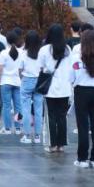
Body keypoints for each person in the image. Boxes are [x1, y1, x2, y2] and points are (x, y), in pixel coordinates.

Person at [72, 29, 94, 168]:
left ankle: (82, 158)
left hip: (81, 91)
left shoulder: (76, 59)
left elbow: (71, 77)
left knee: (83, 126)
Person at [39, 24, 74, 153]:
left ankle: (52, 144)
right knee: (62, 116)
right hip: (65, 88)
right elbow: (71, 67)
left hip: (50, 89)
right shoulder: (67, 49)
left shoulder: (45, 50)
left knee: (50, 117)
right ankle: (61, 144)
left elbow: (41, 67)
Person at [18, 31, 45, 144]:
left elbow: (20, 69)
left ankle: (27, 135)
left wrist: (22, 78)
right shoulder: (42, 53)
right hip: (39, 81)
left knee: (26, 109)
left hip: (27, 80)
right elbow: (44, 68)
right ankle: (38, 136)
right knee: (38, 109)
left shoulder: (24, 54)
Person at [0, 30, 22, 135]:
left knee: (6, 106)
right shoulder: (22, 52)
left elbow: (0, 68)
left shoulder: (3, 53)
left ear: (7, 40)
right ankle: (18, 128)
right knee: (18, 106)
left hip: (5, 81)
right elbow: (21, 69)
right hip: (17, 81)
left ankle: (7, 128)